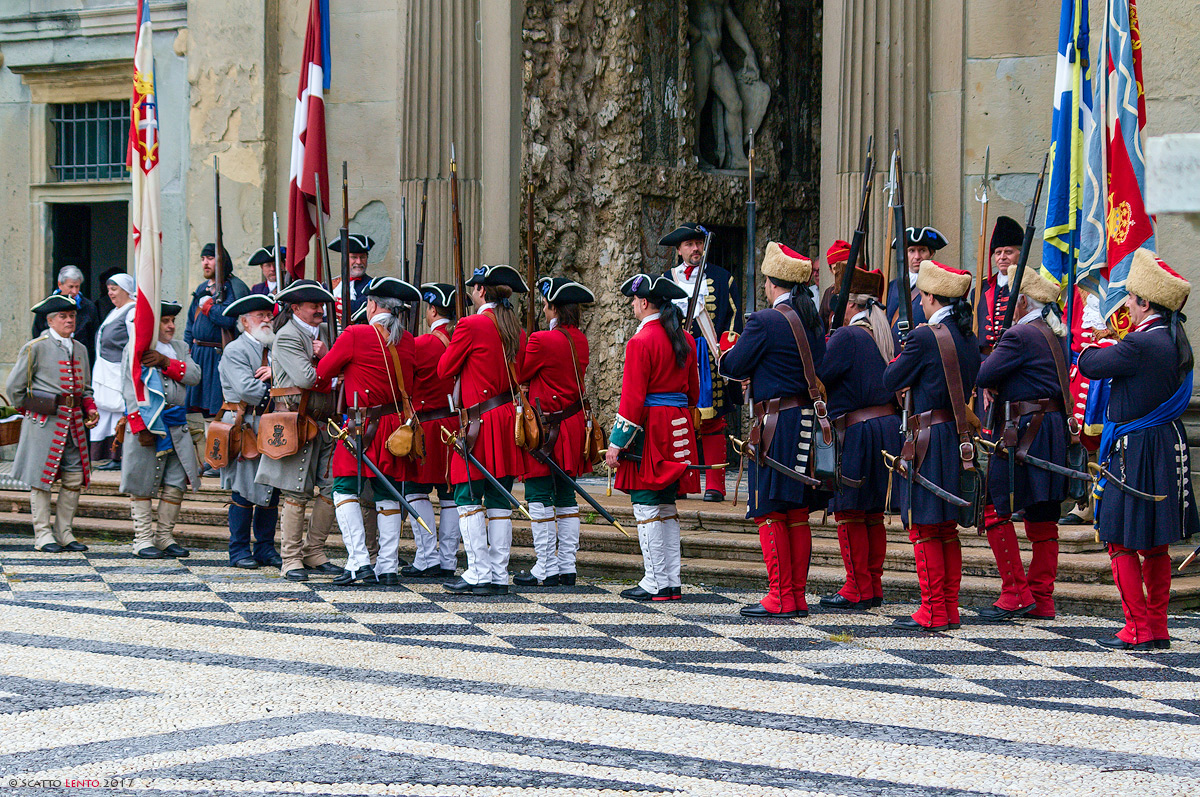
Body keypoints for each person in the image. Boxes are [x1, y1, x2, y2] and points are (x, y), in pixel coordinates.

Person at [1078, 249, 1198, 651]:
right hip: (1165, 443)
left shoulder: (1141, 345)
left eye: (1131, 297)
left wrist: (1095, 334)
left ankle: (1137, 628)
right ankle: (1158, 627)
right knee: (1156, 543)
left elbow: (1091, 365)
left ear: (1146, 302)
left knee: (1120, 541)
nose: (1126, 303)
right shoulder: (1170, 339)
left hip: (1135, 449)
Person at [720, 243, 827, 617]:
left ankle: (780, 595)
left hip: (777, 423)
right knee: (796, 510)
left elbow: (734, 365)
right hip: (805, 420)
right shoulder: (811, 320)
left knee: (769, 509)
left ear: (770, 283)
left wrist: (726, 350)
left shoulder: (765, 321)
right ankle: (796, 594)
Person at [883, 259, 981, 632]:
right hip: (956, 437)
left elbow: (891, 376)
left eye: (922, 296)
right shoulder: (967, 335)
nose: (920, 303)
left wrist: (905, 350)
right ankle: (948, 607)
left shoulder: (926, 335)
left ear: (930, 296)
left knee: (925, 528)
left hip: (928, 437)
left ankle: (932, 610)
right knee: (944, 528)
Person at [974, 268, 1071, 621]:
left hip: (1026, 431)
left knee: (993, 508)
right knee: (1044, 515)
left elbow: (984, 374)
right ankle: (1042, 598)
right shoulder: (1054, 332)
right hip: (1052, 429)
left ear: (1023, 303)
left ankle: (1015, 592)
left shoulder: (1019, 335)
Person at [313, 277, 421, 586]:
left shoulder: (355, 334)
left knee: (344, 489)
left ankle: (359, 560)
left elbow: (323, 372)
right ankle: (386, 566)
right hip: (393, 427)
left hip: (362, 426)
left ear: (371, 305)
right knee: (388, 493)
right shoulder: (408, 339)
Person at [437, 264, 529, 596]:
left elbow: (444, 368)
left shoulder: (471, 325)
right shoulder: (516, 329)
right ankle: (499, 574)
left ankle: (479, 572)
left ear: (481, 291)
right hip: (507, 417)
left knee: (468, 496)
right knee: (500, 498)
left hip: (480, 422)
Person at [605, 273, 698, 601]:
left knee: (646, 505)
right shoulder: (685, 339)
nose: (632, 305)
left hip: (652, 431)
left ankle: (654, 581)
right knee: (667, 506)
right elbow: (694, 393)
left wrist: (616, 443)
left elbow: (631, 400)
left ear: (644, 302)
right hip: (678, 427)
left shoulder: (640, 341)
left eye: (634, 300)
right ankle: (670, 580)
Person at [816, 266, 901, 611]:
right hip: (883, 429)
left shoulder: (848, 336)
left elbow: (818, 375)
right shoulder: (878, 334)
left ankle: (856, 587)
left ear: (849, 306)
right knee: (870, 513)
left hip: (859, 432)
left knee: (850, 511)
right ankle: (871, 585)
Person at [254, 279, 343, 582]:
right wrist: (330, 360)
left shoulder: (324, 334)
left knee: (332, 488)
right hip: (297, 420)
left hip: (325, 421)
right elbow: (307, 379)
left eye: (321, 305)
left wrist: (328, 356)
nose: (320, 310)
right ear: (296, 308)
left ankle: (314, 551)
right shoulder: (289, 335)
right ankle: (291, 558)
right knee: (295, 492)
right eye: (313, 305)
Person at [514, 277, 596, 587]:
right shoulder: (581, 339)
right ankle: (566, 566)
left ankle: (545, 565)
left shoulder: (541, 340)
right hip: (572, 425)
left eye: (547, 305)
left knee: (537, 492)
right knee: (565, 494)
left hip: (546, 427)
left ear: (554, 308)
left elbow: (521, 373)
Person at [7, 294, 99, 552]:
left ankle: (65, 532)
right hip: (44, 424)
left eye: (72, 316)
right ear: (50, 320)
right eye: (63, 316)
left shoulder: (80, 349)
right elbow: (15, 389)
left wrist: (89, 406)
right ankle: (43, 535)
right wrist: (35, 410)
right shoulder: (35, 347)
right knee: (40, 479)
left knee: (74, 478)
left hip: (74, 426)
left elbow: (86, 388)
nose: (69, 320)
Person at [660, 222, 742, 502]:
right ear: (679, 250)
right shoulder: (666, 280)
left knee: (713, 419)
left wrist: (726, 351)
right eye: (689, 244)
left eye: (699, 243)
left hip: (708, 356)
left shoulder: (722, 278)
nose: (696, 249)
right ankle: (681, 481)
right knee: (678, 418)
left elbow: (733, 317)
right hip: (678, 356)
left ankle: (716, 484)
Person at [120, 299, 200, 558]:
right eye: (165, 321)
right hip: (149, 424)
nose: (171, 326)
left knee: (176, 482)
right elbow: (129, 388)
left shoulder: (180, 347)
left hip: (177, 424)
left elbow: (195, 376)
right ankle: (143, 539)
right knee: (142, 482)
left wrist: (166, 361)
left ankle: (164, 536)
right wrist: (139, 426)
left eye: (173, 321)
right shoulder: (136, 348)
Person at [216, 294, 282, 569]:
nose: (267, 320)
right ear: (244, 322)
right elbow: (248, 390)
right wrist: (280, 387)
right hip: (245, 426)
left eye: (269, 315)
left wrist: (276, 372)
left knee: (271, 489)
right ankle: (238, 550)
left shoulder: (276, 347)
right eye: (260, 316)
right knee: (243, 490)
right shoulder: (235, 350)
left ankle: (265, 548)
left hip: (272, 424)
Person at [401, 283, 461, 579]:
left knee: (415, 489)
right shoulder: (460, 338)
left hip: (427, 426)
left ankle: (427, 556)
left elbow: (405, 385)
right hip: (454, 424)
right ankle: (448, 560)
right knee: (449, 493)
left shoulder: (422, 343)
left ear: (432, 310)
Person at [184, 243, 250, 464]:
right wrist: (187, 352)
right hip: (199, 354)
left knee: (218, 411)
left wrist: (209, 307)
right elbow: (189, 325)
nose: (206, 262)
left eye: (211, 258)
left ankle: (220, 457)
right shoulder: (203, 287)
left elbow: (230, 318)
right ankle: (210, 458)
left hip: (218, 355)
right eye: (203, 258)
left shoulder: (233, 287)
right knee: (204, 412)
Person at [89, 273, 136, 470]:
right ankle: (109, 455)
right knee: (107, 412)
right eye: (109, 289)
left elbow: (134, 343)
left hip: (118, 371)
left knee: (118, 412)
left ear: (126, 290)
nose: (110, 293)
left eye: (114, 289)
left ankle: (120, 456)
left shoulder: (132, 311)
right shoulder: (116, 311)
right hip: (106, 370)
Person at [32, 266, 101, 363]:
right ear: (60, 284)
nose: (74, 291)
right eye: (71, 286)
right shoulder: (47, 306)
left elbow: (93, 338)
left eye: (77, 287)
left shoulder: (89, 307)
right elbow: (37, 333)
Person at [886, 227, 950, 330]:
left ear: (931, 253)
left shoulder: (941, 286)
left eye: (922, 250)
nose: (917, 256)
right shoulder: (892, 287)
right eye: (911, 251)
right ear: (904, 254)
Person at [975, 216, 1023, 352]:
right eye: (998, 253)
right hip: (985, 359)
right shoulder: (980, 289)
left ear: (1020, 254)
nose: (1002, 257)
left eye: (1008, 252)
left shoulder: (1030, 287)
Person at [328, 234, 374, 320]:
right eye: (354, 257)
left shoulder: (372, 286)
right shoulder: (329, 284)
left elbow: (359, 308)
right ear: (344, 259)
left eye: (362, 257)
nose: (359, 262)